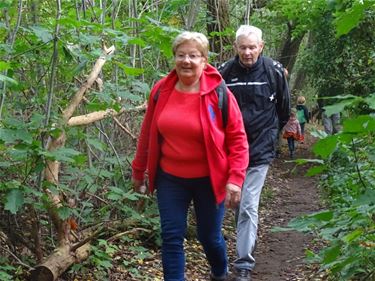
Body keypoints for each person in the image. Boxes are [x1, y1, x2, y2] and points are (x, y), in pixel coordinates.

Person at [131, 31, 249, 281]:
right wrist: (138, 171)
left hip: (209, 178)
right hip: (170, 178)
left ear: (204, 60)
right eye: (181, 55)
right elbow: (147, 134)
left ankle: (219, 272)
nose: (186, 61)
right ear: (174, 58)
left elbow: (238, 140)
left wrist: (235, 179)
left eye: (193, 56)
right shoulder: (161, 91)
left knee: (209, 236)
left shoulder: (219, 93)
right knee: (172, 235)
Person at [218, 25, 290, 281]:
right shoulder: (224, 73)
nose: (247, 52)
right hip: (232, 151)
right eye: (243, 47)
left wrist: (272, 139)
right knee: (238, 204)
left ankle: (244, 264)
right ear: (236, 47)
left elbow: (283, 109)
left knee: (248, 205)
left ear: (261, 46)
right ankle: (245, 245)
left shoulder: (273, 72)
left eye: (252, 47)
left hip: (260, 150)